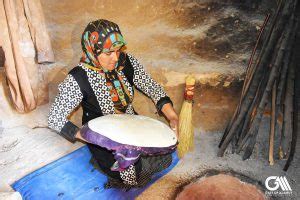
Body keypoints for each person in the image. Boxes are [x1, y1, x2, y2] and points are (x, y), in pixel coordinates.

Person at [48, 19, 179, 189]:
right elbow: (54, 118)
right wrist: (91, 137)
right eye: (108, 53)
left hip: (131, 124)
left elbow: (150, 86)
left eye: (117, 51)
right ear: (92, 51)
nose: (115, 58)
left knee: (165, 154)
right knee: (132, 174)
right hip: (103, 136)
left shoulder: (126, 62)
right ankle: (102, 160)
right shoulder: (78, 77)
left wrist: (172, 115)